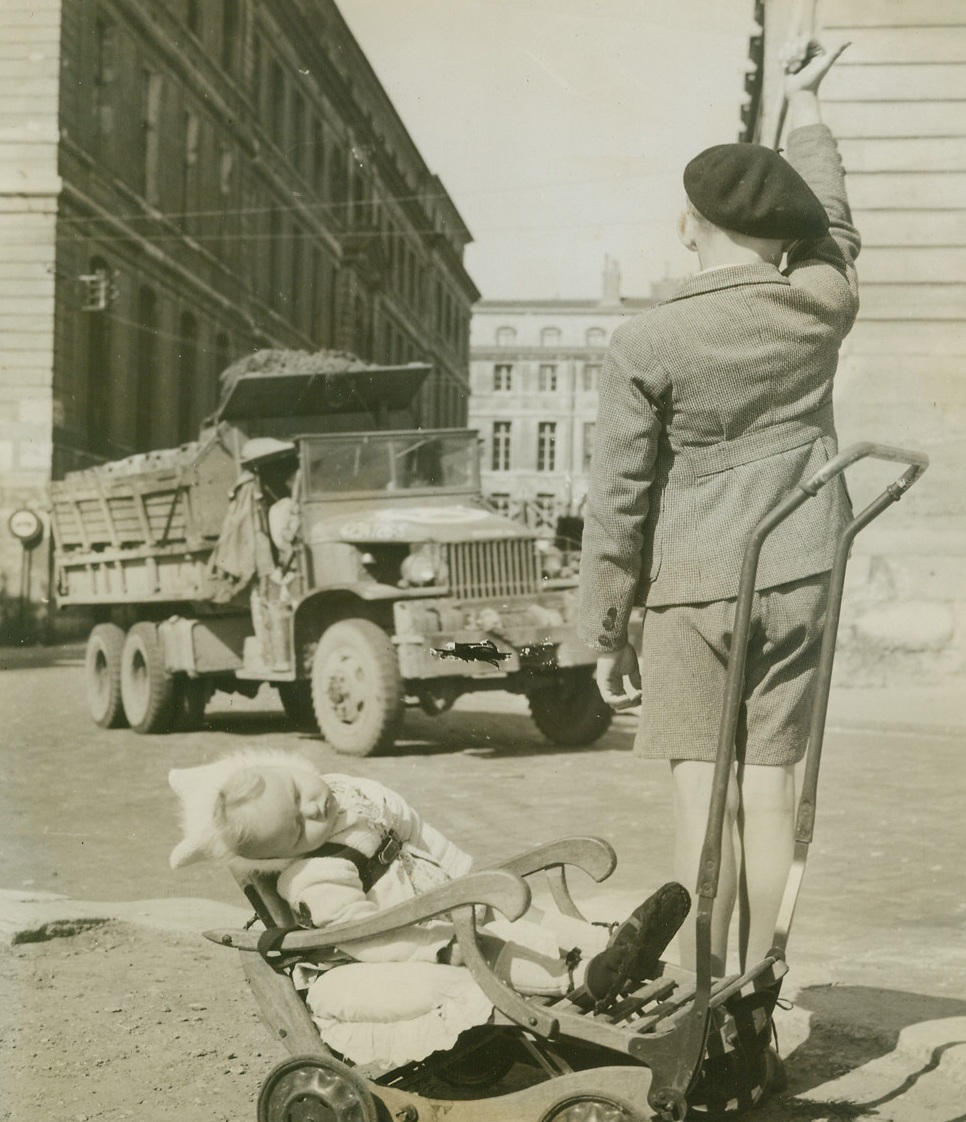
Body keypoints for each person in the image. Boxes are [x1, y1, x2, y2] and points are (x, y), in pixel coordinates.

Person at [577, 37, 858, 978]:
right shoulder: (819, 302)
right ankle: (759, 991)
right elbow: (838, 232)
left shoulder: (645, 340)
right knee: (771, 788)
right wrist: (809, 110)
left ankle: (703, 995)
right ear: (786, 236)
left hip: (696, 587)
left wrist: (607, 629)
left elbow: (617, 500)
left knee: (702, 793)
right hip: (804, 569)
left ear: (687, 222)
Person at [168, 749, 690, 1011]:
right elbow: (361, 933)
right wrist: (435, 950)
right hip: (431, 932)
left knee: (531, 916)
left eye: (296, 787)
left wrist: (469, 875)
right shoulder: (314, 876)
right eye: (298, 826)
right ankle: (581, 983)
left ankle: (617, 945)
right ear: (282, 855)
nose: (313, 806)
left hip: (451, 892)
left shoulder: (348, 794)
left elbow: (413, 826)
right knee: (497, 951)